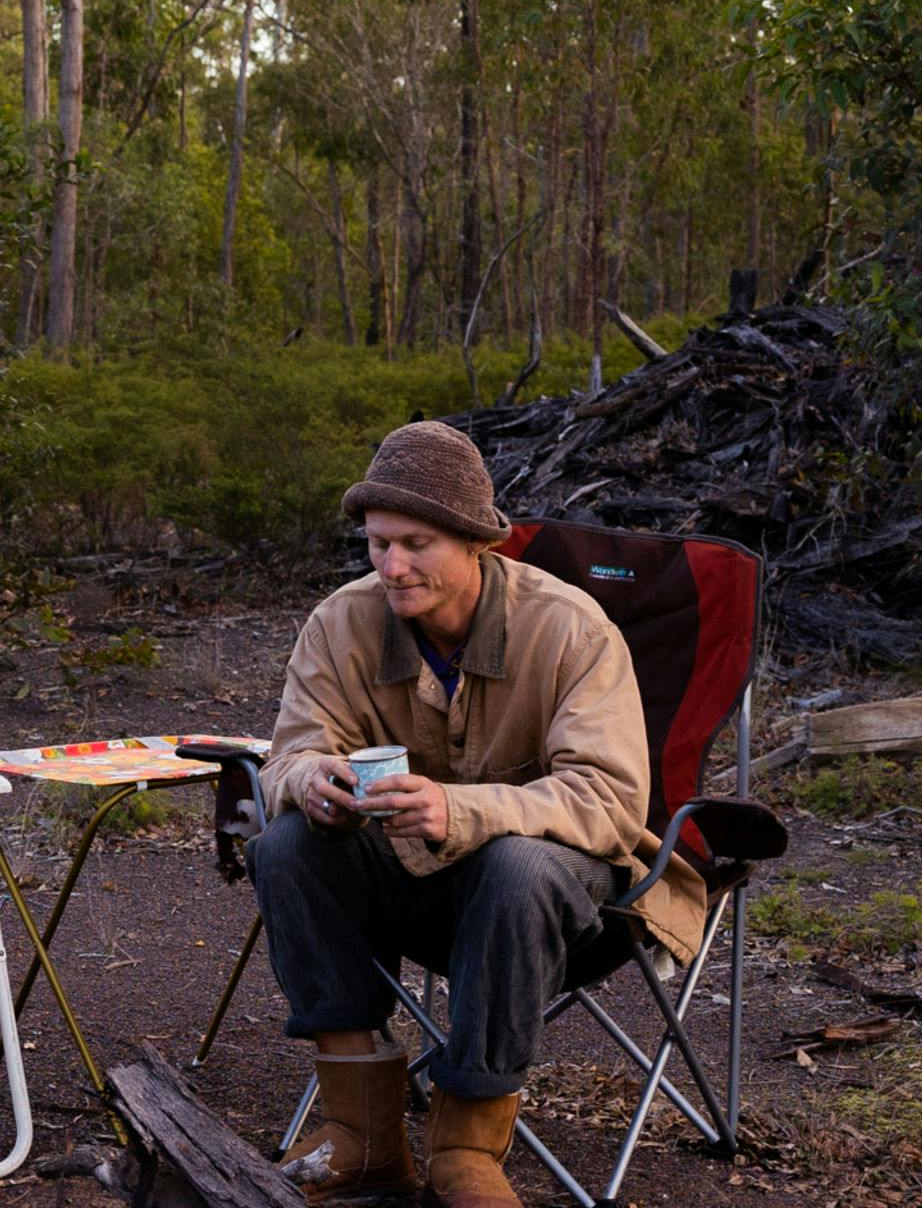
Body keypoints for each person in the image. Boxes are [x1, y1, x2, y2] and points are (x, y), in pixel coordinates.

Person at [247, 421, 704, 1208]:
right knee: (285, 844)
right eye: (377, 543)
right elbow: (286, 757)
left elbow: (610, 798)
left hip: (555, 910)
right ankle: (363, 1140)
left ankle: (466, 1150)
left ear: (476, 543)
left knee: (516, 861)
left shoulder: (568, 629)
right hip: (406, 892)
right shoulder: (341, 623)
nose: (391, 566)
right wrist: (315, 780)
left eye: (416, 544)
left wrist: (459, 809)